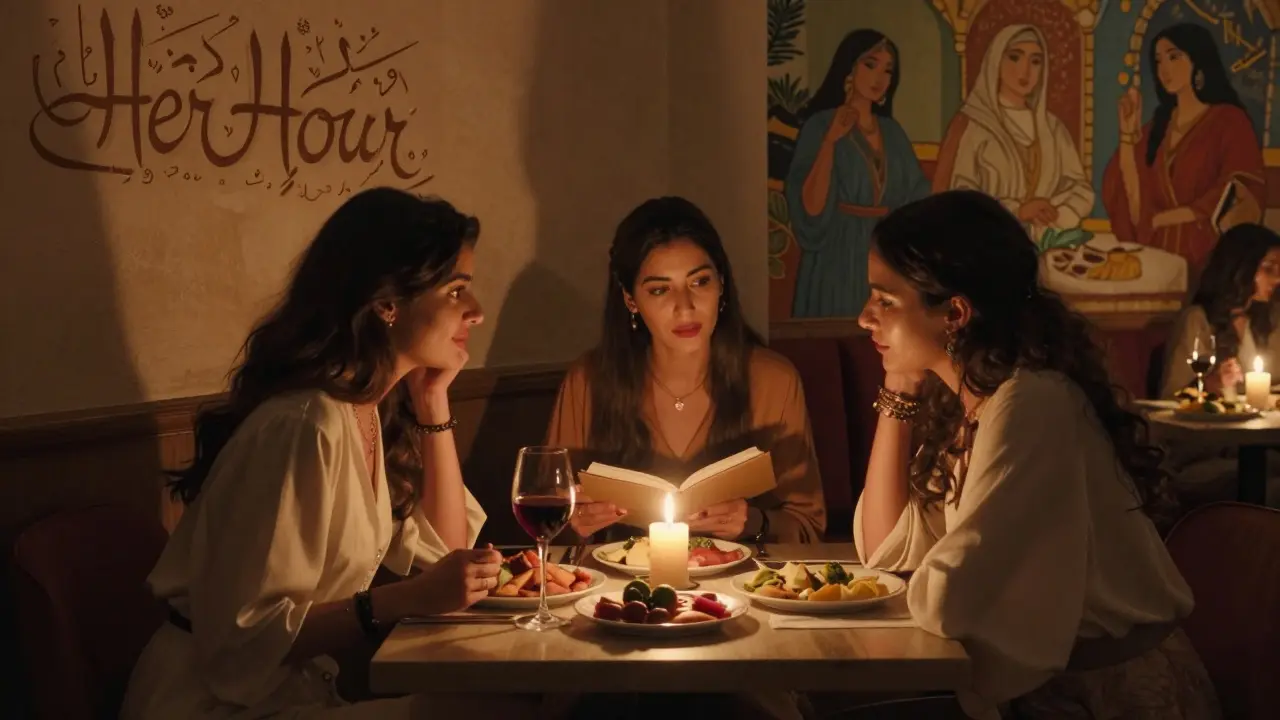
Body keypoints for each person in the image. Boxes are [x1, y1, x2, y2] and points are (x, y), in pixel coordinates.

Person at [121, 189, 539, 719]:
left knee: (512, 705)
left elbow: (449, 551)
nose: (477, 313)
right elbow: (240, 636)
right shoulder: (304, 425)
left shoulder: (365, 410)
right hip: (211, 702)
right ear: (387, 302)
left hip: (286, 692)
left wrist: (432, 400)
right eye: (457, 292)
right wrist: (404, 599)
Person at [853, 190, 1220, 719]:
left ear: (954, 313)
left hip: (1110, 696)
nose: (865, 318)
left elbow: (951, 598)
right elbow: (884, 551)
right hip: (1054, 689)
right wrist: (899, 389)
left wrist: (923, 581)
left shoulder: (1031, 404)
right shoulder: (972, 400)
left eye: (886, 301)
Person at [551, 196, 825, 546]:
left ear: (721, 284)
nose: (685, 307)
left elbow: (808, 527)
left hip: (740, 589)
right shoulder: (589, 382)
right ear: (631, 299)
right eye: (660, 290)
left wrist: (752, 521)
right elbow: (548, 527)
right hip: (621, 593)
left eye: (699, 283)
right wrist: (576, 522)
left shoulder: (774, 380)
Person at [785, 29, 930, 317]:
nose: (879, 77)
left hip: (885, 259)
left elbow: (918, 200)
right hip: (835, 257)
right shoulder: (819, 125)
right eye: (870, 64)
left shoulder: (893, 134)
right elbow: (810, 210)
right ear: (848, 68)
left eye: (888, 70)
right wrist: (830, 140)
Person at [1102, 23, 1265, 276]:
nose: (1163, 68)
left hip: (1208, 258)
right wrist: (1126, 135)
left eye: (1173, 57)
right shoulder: (1157, 127)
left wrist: (1162, 220)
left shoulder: (1229, 121)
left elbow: (1237, 193)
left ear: (1197, 61)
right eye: (1158, 61)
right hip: (1157, 258)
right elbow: (1130, 198)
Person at [933, 24, 1094, 250]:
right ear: (996, 61)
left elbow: (1081, 188)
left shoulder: (1052, 128)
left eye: (1036, 61)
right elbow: (960, 197)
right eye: (1015, 57)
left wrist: (1058, 213)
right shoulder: (974, 125)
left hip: (1047, 248)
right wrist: (1018, 211)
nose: (1025, 71)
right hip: (986, 249)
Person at [1160, 223, 1280, 399]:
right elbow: (1169, 398)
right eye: (1268, 268)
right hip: (1215, 426)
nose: (1277, 279)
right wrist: (1208, 384)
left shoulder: (1270, 320)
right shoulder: (1198, 320)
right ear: (1240, 268)